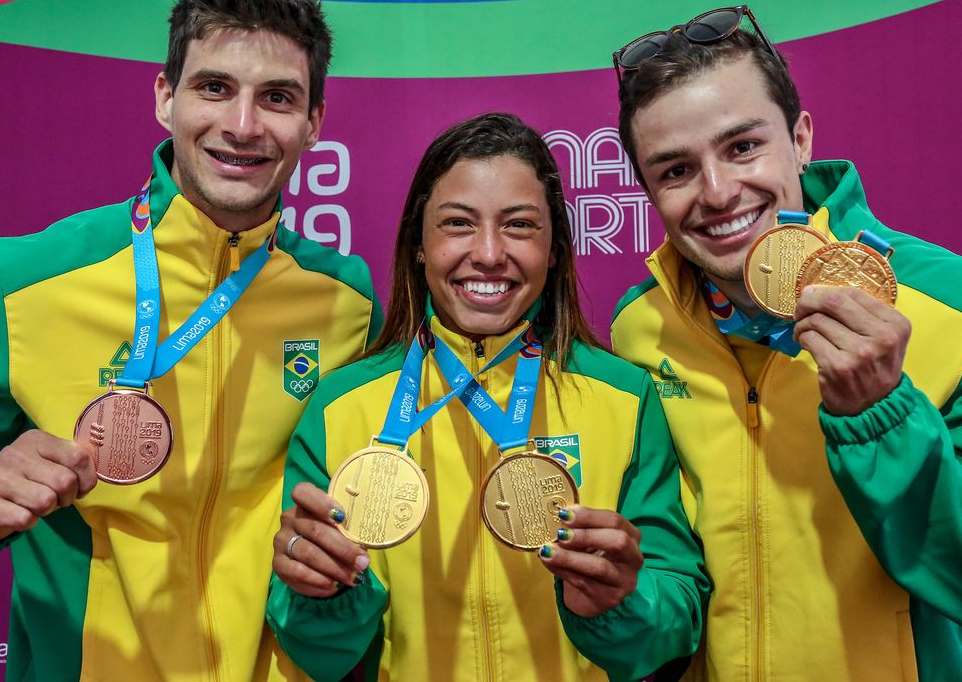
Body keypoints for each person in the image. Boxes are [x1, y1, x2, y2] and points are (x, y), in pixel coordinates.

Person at [0, 0, 381, 681]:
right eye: (214, 87)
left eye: (278, 98)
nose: (244, 126)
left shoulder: (347, 300)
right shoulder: (21, 281)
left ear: (314, 121)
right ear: (166, 97)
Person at [609, 5, 962, 680]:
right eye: (675, 171)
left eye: (743, 147)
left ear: (802, 138)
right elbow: (672, 580)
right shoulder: (638, 326)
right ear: (647, 189)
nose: (720, 191)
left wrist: (885, 421)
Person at [266, 112, 709, 681]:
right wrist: (320, 595)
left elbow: (675, 615)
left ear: (554, 249)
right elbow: (316, 653)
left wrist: (623, 603)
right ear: (419, 244)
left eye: (520, 225)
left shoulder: (624, 396)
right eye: (457, 224)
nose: (490, 254)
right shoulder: (339, 405)